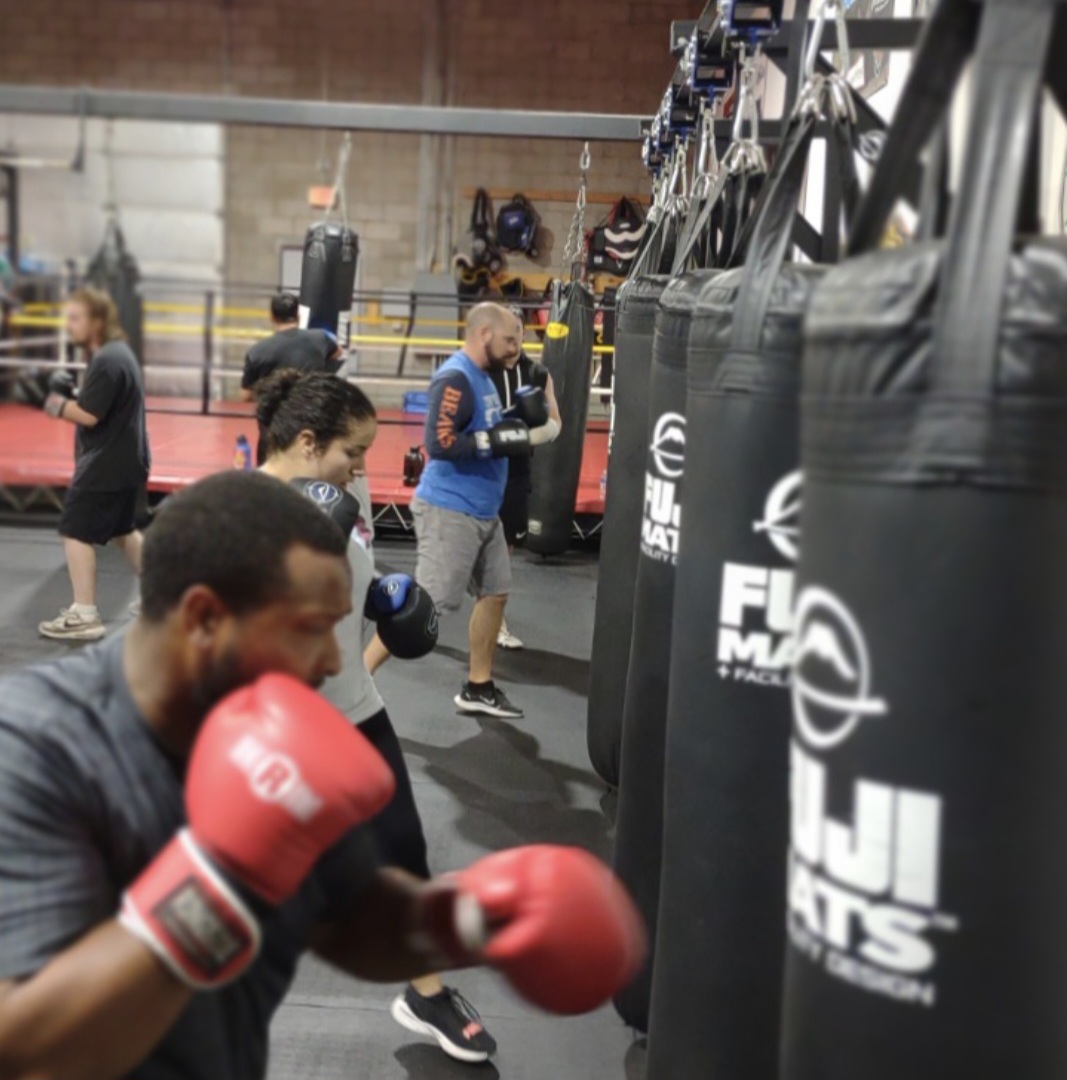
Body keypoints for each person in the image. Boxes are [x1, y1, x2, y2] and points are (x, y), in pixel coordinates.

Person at [0, 470, 644, 1080]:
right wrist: (219, 880)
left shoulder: (271, 740)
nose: (334, 660)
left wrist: (477, 918)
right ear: (204, 617)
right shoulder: (35, 750)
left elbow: (352, 924)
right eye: (310, 628)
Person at [256, 369, 496, 1063]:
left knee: (402, 851)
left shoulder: (335, 498)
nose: (362, 468)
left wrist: (383, 598)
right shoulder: (237, 512)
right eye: (353, 453)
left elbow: (351, 572)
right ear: (308, 443)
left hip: (354, 708)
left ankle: (426, 994)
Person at [365, 303, 535, 719]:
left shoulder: (484, 378)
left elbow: (479, 426)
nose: (515, 348)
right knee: (422, 606)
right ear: (484, 334)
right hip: (450, 509)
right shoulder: (456, 377)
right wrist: (493, 442)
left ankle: (478, 687)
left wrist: (512, 420)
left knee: (495, 592)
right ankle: (356, 678)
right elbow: (439, 442)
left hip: (484, 511)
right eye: (509, 339)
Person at [38, 287, 149, 642]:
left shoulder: (107, 360)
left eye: (76, 318)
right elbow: (101, 404)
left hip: (105, 464)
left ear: (96, 322)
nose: (69, 325)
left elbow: (89, 415)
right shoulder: (119, 353)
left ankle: (84, 615)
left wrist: (52, 402)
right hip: (127, 459)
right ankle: (159, 597)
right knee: (123, 530)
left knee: (75, 531)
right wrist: (71, 394)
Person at [491, 314, 562, 651]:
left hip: (515, 471)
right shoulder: (479, 370)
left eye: (518, 331)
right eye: (507, 333)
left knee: (504, 549)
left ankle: (496, 622)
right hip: (479, 470)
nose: (513, 338)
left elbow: (555, 423)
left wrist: (522, 437)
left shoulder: (537, 374)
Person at [239, 292, 343, 402]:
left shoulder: (257, 351)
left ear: (272, 318)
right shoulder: (321, 338)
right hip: (312, 408)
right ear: (298, 316)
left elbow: (246, 396)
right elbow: (338, 353)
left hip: (276, 410)